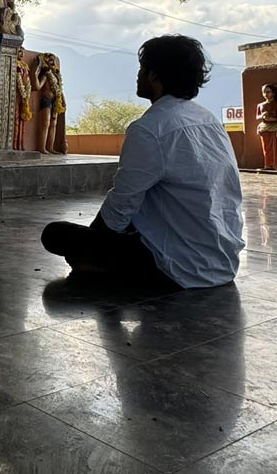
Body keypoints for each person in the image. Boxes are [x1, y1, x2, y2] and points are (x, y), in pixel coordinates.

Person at [41, 35, 244, 289]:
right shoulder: (209, 120)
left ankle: (107, 268)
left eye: (142, 69)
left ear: (155, 76)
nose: (137, 76)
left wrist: (92, 247)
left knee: (55, 234)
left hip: (178, 268)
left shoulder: (150, 129)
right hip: (223, 262)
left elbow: (121, 205)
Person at [256, 83, 277, 170]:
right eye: (264, 92)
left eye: (268, 92)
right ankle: (267, 165)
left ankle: (276, 165)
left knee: (275, 147)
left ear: (273, 93)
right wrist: (263, 116)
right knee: (266, 148)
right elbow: (257, 116)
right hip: (264, 128)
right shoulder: (260, 105)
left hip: (275, 127)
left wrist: (273, 119)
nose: (266, 94)